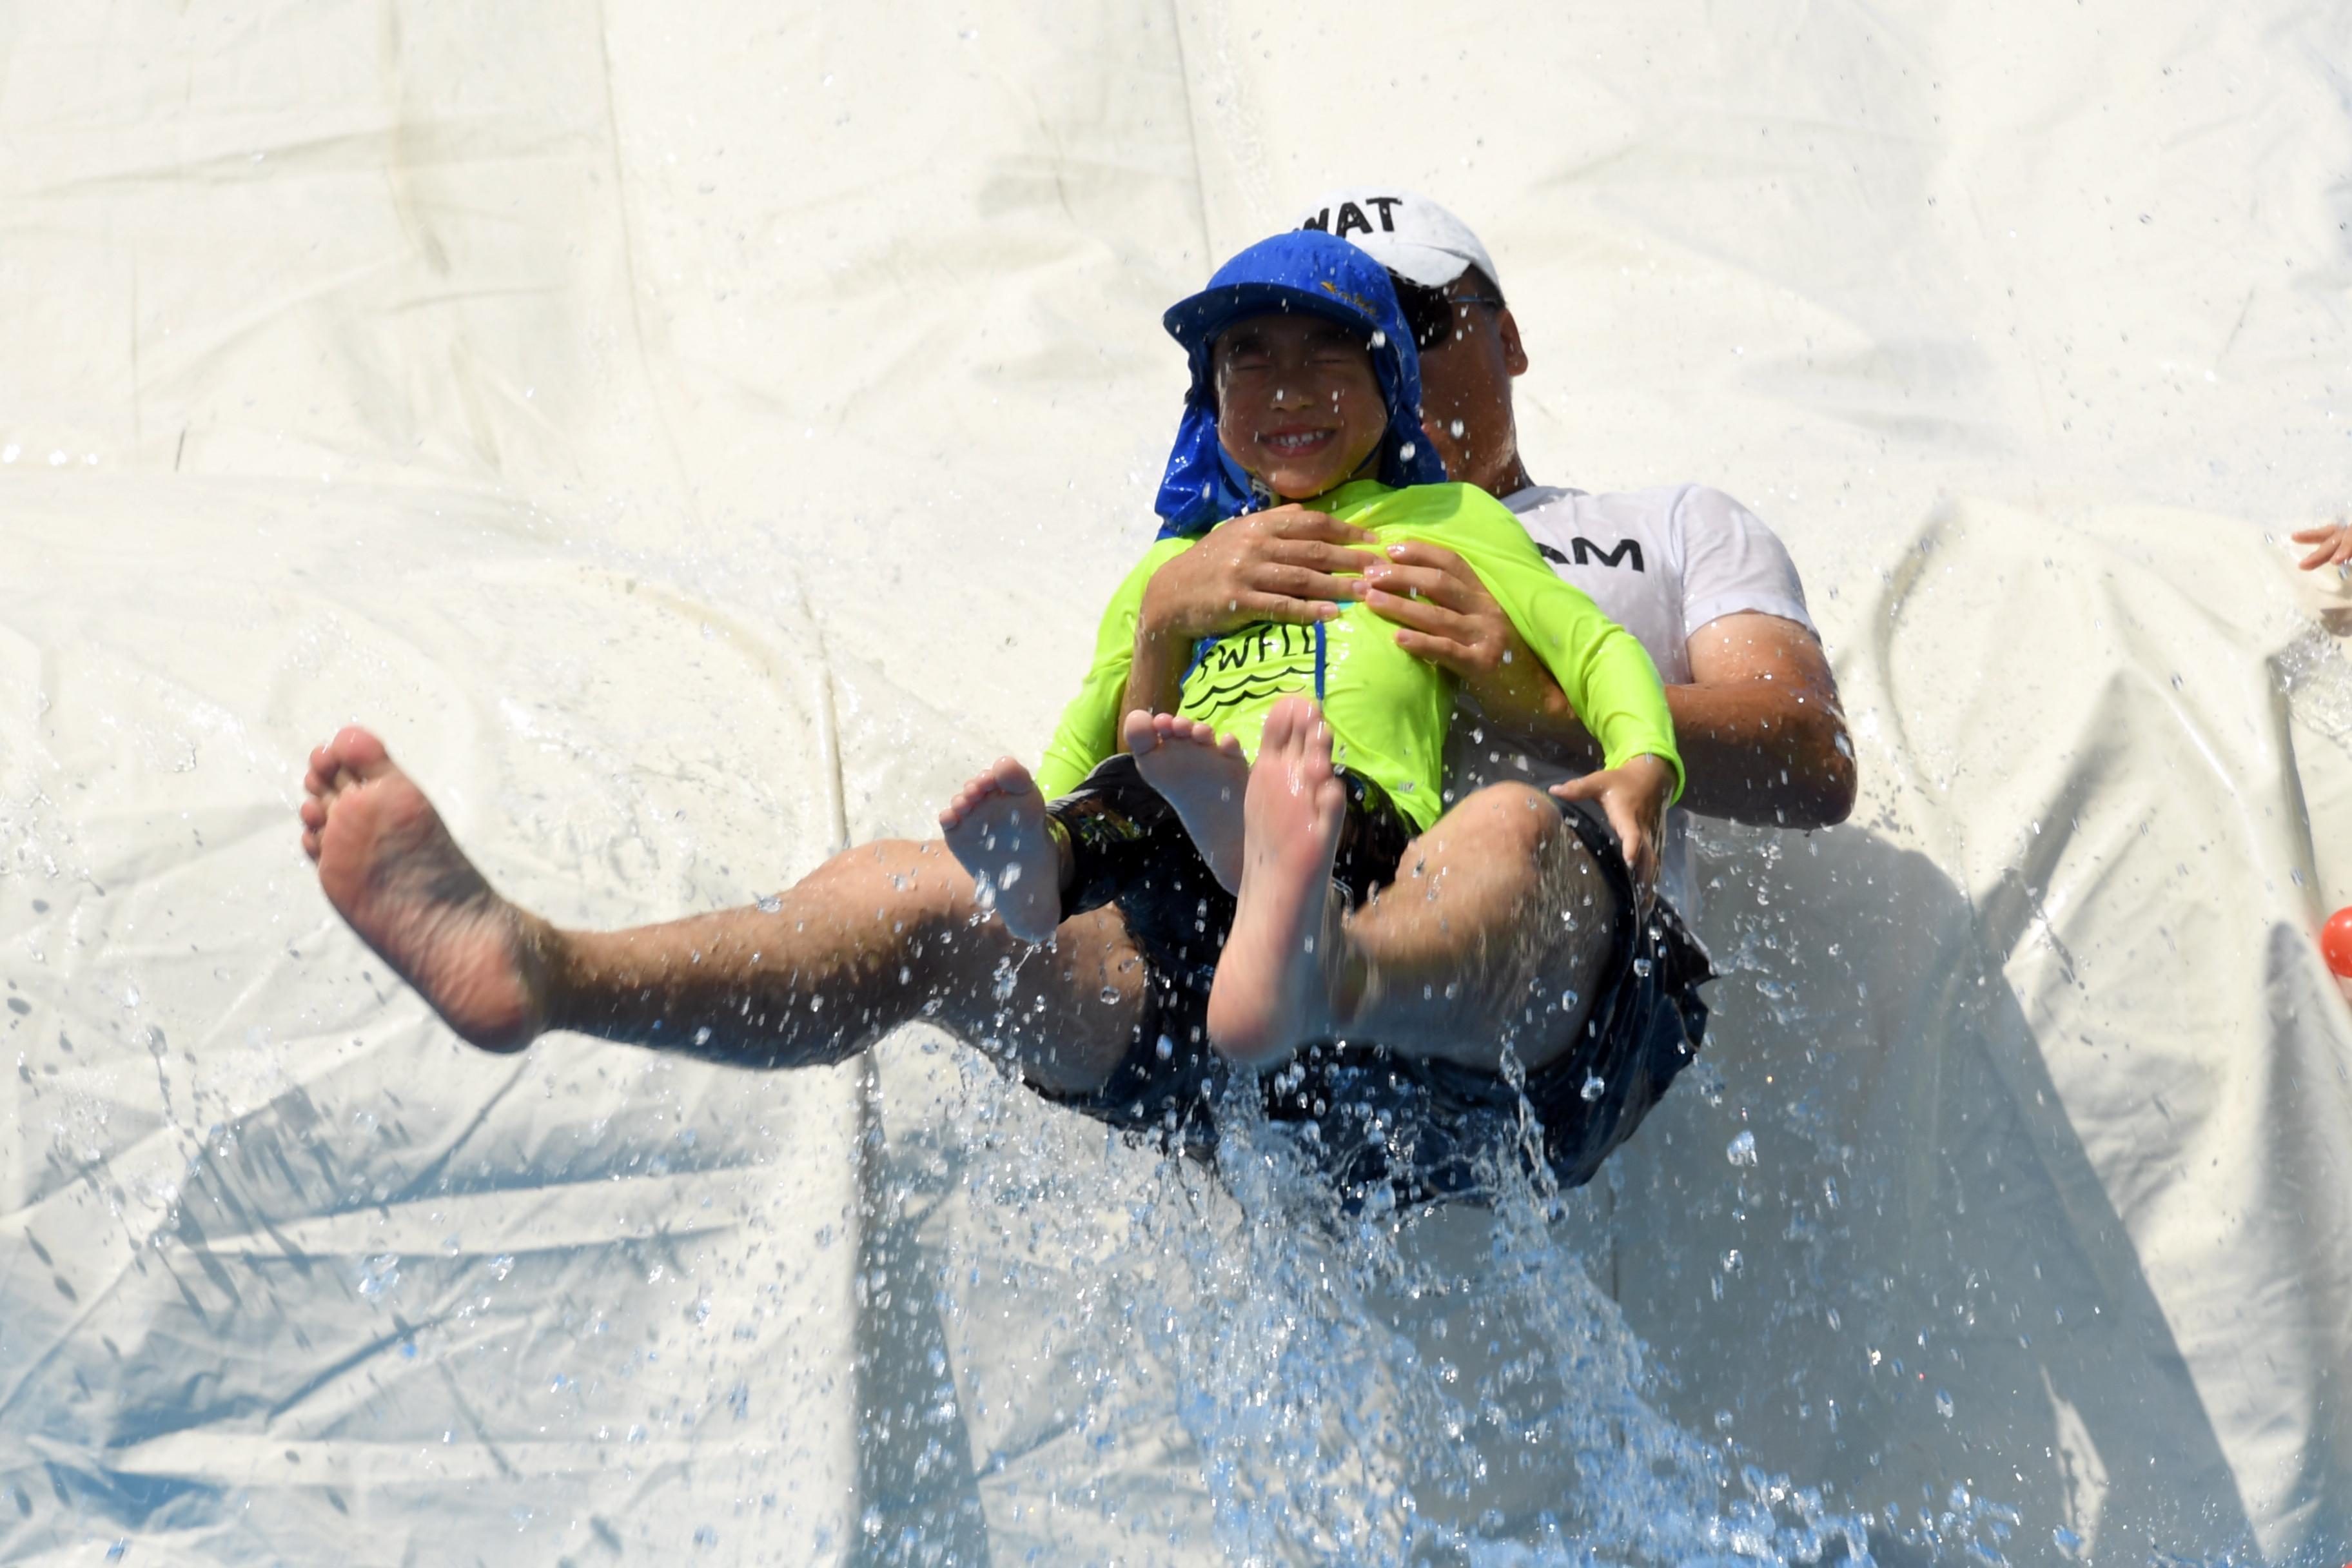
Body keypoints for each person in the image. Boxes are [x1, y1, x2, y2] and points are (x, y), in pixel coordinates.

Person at [297, 190, 1851, 1200]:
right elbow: (1102, 730)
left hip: (1526, 1013)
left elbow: (1807, 756)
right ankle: (549, 968)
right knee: (934, 905)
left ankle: (1326, 948)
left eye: (1399, 322)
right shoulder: (1203, 552)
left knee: (1505, 820)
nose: (1311, 382)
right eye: (1261, 356)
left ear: (1495, 336)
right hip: (1247, 1044)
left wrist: (1531, 690)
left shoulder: (1646, 523)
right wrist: (1168, 625)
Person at [928, 231, 1703, 1194]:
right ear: (1211, 401)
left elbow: (1595, 645)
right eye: (1249, 361)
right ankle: (1060, 863)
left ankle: (1258, 847)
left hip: (1347, 830)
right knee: (1131, 783)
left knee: (1300, 793)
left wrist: (1643, 762)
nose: (1288, 391)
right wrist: (1045, 807)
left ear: (1392, 386)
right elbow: (1094, 722)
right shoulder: (1171, 570)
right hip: (1180, 848)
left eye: (1326, 356)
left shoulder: (1448, 522)